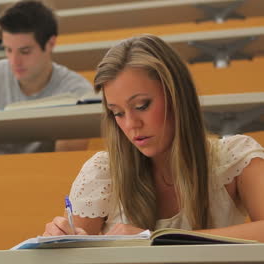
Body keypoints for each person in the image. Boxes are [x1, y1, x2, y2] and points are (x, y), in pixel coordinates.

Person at [43, 34, 264, 241]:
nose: (130, 125)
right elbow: (74, 250)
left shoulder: (235, 157)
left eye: (142, 105)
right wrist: (61, 239)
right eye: (117, 113)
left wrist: (158, 240)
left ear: (176, 96)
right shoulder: (103, 172)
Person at [0, 0, 93, 156]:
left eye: (25, 51)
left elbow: (66, 162)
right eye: (8, 50)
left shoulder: (78, 91)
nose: (14, 61)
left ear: (50, 43)